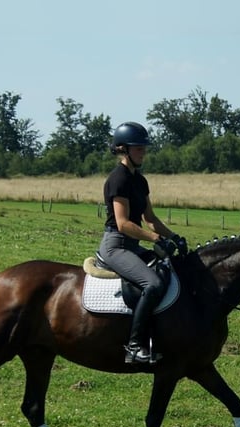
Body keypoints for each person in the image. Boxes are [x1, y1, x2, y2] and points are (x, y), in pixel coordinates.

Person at [98, 121, 187, 364]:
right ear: (123, 149)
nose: (143, 152)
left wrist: (174, 237)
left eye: (144, 148)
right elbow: (123, 223)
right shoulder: (118, 179)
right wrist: (155, 239)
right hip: (115, 246)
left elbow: (150, 219)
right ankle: (135, 346)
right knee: (153, 284)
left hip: (132, 245)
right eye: (138, 148)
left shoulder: (140, 180)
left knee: (173, 269)